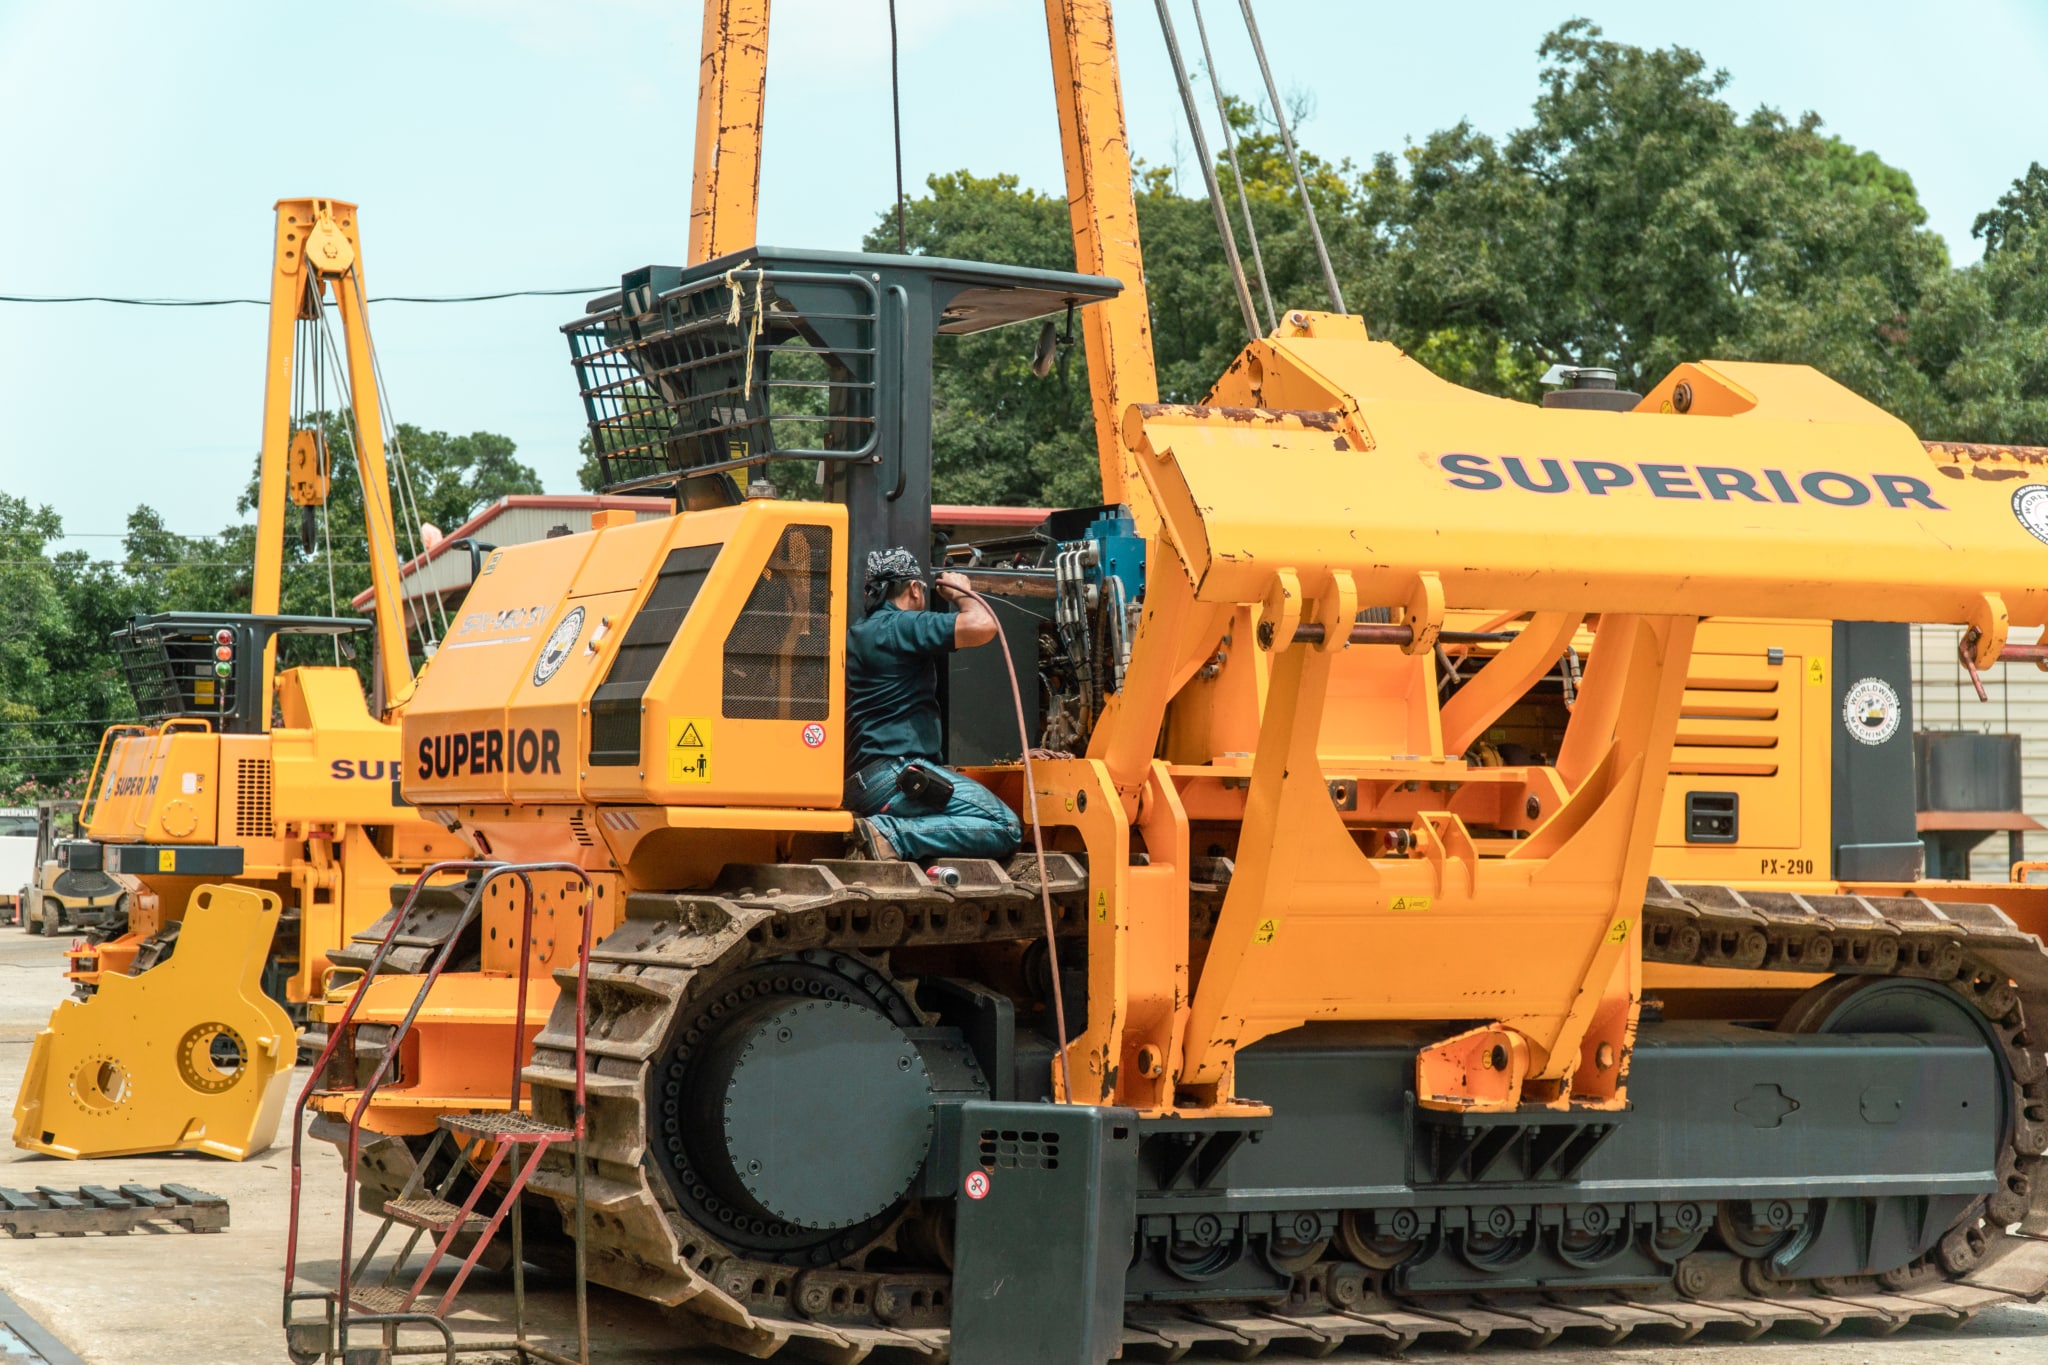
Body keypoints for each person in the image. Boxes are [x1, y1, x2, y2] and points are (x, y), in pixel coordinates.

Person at [844, 547, 1023, 862]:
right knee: (1005, 825)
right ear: (914, 588)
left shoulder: (859, 633)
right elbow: (982, 625)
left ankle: (894, 833)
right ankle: (891, 833)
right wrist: (962, 593)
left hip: (863, 782)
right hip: (899, 775)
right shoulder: (902, 626)